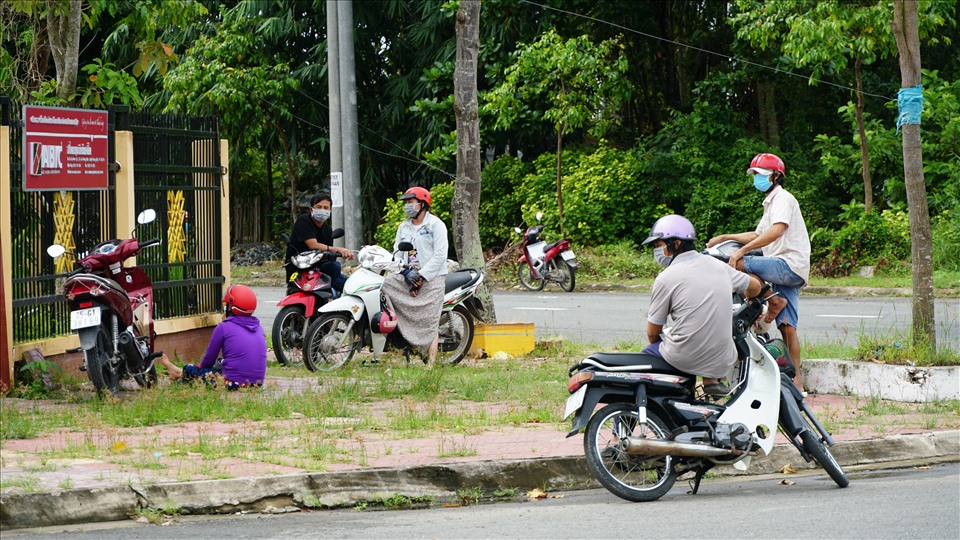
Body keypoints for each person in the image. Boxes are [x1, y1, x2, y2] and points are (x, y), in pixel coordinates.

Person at [706, 153, 810, 393]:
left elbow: (776, 231)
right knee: (787, 326)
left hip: (786, 264)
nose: (757, 180)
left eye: (762, 175)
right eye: (755, 175)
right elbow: (757, 234)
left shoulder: (783, 198)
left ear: (776, 176)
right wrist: (726, 237)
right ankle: (797, 383)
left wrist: (741, 251)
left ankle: (772, 299)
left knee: (736, 264)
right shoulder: (771, 203)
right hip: (791, 268)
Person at [641, 215, 763, 397]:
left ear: (675, 243)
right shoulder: (719, 267)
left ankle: (627, 420)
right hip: (723, 360)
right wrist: (743, 295)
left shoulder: (666, 278)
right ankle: (710, 381)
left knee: (641, 364)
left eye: (658, 245)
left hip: (683, 356)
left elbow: (652, 333)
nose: (657, 251)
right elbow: (755, 287)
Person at [380, 187, 449, 365]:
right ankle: (400, 337)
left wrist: (421, 277)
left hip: (432, 277)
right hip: (407, 274)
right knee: (385, 285)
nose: (408, 206)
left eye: (411, 202)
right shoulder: (404, 227)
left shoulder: (436, 225)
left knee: (429, 318)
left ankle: (431, 363)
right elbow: (397, 253)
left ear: (423, 204)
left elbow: (440, 254)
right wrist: (405, 272)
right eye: (406, 203)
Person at [158, 284, 267, 390]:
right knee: (221, 364)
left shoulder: (223, 328)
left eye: (227, 304)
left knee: (190, 369)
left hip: (232, 383)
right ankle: (178, 372)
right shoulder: (259, 328)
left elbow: (208, 361)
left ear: (231, 307)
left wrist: (198, 370)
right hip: (257, 384)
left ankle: (179, 373)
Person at [285, 192, 355, 293]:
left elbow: (328, 253)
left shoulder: (327, 229)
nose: (322, 210)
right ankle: (328, 295)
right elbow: (313, 245)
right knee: (335, 267)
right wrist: (340, 249)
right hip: (300, 268)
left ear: (330, 210)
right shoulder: (304, 221)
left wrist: (338, 254)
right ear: (311, 209)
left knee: (352, 287)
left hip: (319, 269)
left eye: (326, 208)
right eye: (319, 207)